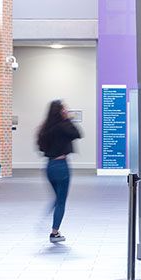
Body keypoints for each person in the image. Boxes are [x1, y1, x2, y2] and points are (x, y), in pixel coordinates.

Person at [37, 100, 82, 243]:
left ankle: (46, 217)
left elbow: (41, 148)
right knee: (61, 201)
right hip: (62, 166)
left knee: (57, 198)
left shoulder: (45, 128)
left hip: (49, 166)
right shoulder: (64, 126)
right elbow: (78, 133)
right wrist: (67, 118)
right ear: (61, 111)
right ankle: (54, 232)